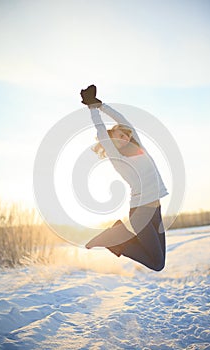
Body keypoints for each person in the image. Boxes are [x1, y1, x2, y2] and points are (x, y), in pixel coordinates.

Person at [80, 85, 169, 271]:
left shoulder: (139, 147)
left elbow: (123, 121)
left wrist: (102, 105)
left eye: (125, 135)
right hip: (140, 213)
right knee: (157, 264)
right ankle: (113, 238)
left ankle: (118, 234)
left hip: (156, 210)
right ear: (112, 141)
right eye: (119, 136)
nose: (125, 138)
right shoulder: (118, 157)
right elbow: (101, 131)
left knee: (159, 262)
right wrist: (92, 109)